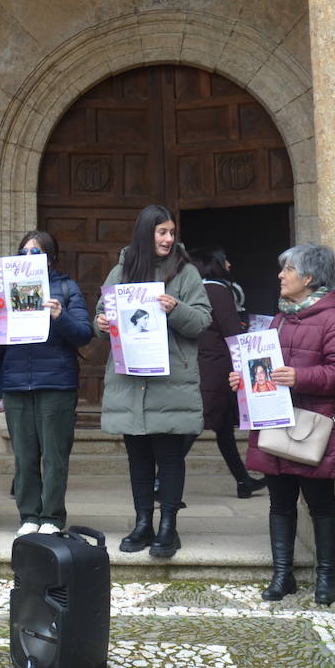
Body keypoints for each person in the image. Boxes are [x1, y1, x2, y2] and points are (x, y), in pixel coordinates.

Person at [234, 245, 335, 605]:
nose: (280, 275)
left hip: (310, 426)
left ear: (308, 278)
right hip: (275, 422)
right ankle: (282, 575)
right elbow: (266, 368)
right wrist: (242, 378)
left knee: (320, 503)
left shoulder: (333, 318)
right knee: (280, 503)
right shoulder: (282, 317)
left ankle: (325, 579)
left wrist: (300, 377)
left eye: (287, 270)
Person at [96, 206, 212, 559]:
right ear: (146, 234)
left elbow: (202, 321)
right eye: (162, 232)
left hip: (169, 379)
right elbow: (103, 314)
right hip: (130, 379)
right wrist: (100, 323)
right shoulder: (122, 271)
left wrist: (176, 308)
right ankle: (143, 522)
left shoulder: (187, 272)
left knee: (170, 456)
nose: (168, 239)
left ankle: (168, 527)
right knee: (138, 457)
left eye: (171, 233)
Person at [0, 230, 92, 537]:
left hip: (56, 381)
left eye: (37, 253)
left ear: (50, 258)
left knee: (55, 455)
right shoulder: (5, 290)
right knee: (25, 454)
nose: (29, 258)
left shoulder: (66, 287)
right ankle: (29, 515)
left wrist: (61, 317)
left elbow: (84, 334)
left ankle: (53, 517)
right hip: (17, 382)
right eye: (24, 253)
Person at [188, 246, 264, 500]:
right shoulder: (216, 290)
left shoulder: (196, 289)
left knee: (223, 430)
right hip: (217, 368)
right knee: (197, 424)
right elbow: (231, 330)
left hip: (204, 365)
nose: (229, 264)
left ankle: (243, 481)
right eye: (225, 260)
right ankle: (159, 481)